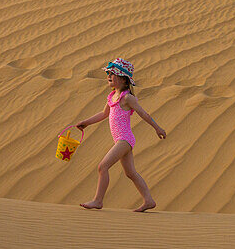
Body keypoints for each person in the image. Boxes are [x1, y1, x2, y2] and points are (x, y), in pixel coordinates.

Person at [63, 58, 165, 212]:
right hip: (121, 140)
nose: (109, 76)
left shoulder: (127, 98)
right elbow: (103, 114)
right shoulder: (112, 97)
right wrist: (86, 122)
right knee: (130, 173)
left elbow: (143, 113)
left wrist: (157, 128)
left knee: (102, 166)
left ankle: (98, 200)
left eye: (113, 74)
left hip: (125, 140)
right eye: (108, 73)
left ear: (124, 80)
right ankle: (149, 200)